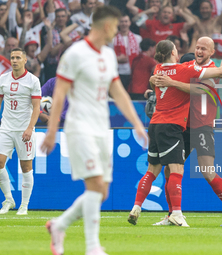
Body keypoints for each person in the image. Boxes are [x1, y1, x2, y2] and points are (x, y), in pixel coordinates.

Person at [41, 6, 148, 255]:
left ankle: (60, 225)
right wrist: (52, 129)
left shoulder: (108, 55)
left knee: (101, 192)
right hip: (80, 127)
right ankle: (92, 248)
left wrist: (137, 123)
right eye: (117, 24)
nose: (119, 30)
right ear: (107, 26)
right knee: (95, 184)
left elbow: (118, 91)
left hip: (102, 128)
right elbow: (59, 94)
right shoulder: (75, 54)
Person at [127, 39, 222, 227]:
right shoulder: (186, 66)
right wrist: (154, 82)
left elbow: (200, 90)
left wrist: (171, 82)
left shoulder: (211, 70)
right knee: (169, 170)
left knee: (208, 172)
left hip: (202, 127)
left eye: (203, 49)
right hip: (181, 127)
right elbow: (161, 77)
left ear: (211, 52)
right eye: (197, 48)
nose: (199, 51)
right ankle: (172, 214)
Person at [0, 48, 41, 215]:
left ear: (25, 60)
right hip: (6, 128)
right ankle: (9, 199)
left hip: (24, 129)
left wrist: (30, 128)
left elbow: (37, 107)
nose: (14, 60)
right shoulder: (3, 79)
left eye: (18, 57)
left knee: (25, 167)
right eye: (12, 58)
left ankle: (24, 205)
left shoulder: (33, 81)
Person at [113, 14, 142, 90]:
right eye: (121, 21)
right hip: (117, 72)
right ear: (118, 23)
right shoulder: (112, 39)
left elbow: (141, 56)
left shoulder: (138, 38)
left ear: (129, 23)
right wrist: (117, 59)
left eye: (126, 21)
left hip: (133, 73)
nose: (124, 24)